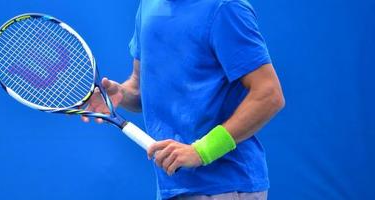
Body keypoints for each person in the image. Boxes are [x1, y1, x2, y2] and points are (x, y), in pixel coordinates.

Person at [82, 0, 285, 199]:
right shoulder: (148, 4)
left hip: (225, 186)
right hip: (173, 185)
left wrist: (202, 151)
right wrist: (121, 94)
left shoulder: (226, 8)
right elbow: (138, 87)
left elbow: (269, 95)